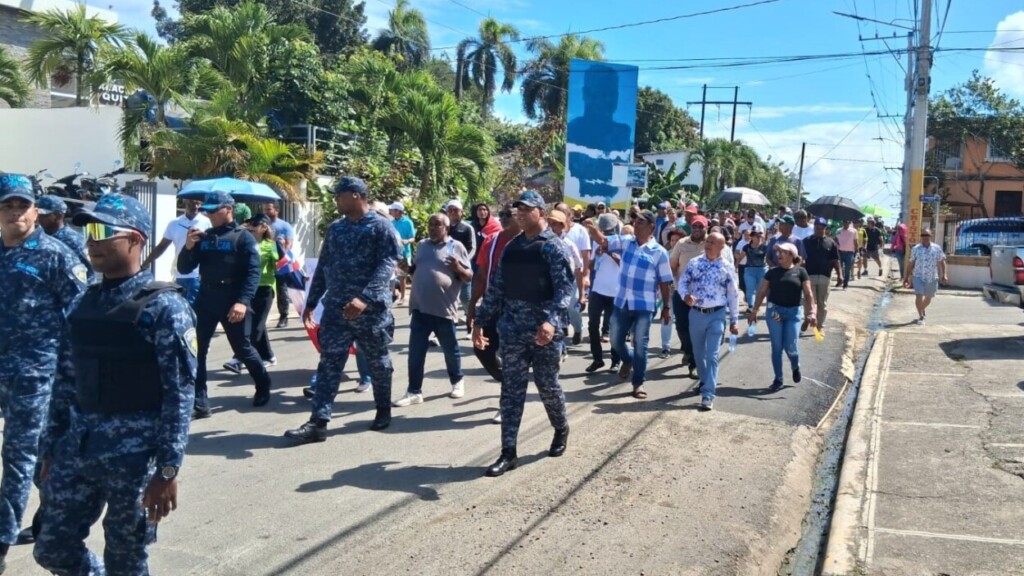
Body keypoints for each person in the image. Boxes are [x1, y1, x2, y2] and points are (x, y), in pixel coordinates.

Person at [33, 193, 196, 576]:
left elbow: (179, 395)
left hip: (135, 457)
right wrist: (50, 448)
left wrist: (168, 470)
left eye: (103, 231)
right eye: (89, 231)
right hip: (78, 446)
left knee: (126, 560)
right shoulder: (82, 303)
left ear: (136, 240)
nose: (93, 241)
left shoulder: (164, 308)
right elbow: (65, 382)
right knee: (51, 549)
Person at [0, 175, 88, 571]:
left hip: (37, 376)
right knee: (38, 459)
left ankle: (2, 540)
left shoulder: (56, 256)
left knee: (18, 456)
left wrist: (75, 385)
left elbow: (82, 321)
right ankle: (58, 511)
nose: (15, 212)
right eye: (7, 206)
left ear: (36, 210)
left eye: (22, 206)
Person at [284, 177, 401, 441]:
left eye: (340, 194)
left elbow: (386, 265)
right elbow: (325, 266)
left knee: (378, 363)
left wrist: (365, 298)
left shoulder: (381, 227)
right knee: (329, 363)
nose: (336, 199)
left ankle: (383, 408)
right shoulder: (336, 229)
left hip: (370, 312)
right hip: (337, 309)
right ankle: (318, 423)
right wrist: (311, 302)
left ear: (357, 195)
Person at [472, 191, 574, 477]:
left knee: (547, 386)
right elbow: (497, 289)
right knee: (511, 392)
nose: (519, 213)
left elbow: (565, 290)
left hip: (544, 333)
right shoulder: (512, 248)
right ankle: (508, 452)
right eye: (517, 209)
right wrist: (480, 322)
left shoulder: (553, 248)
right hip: (513, 331)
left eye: (525, 209)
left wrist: (552, 322)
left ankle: (561, 428)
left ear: (540, 212)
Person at [177, 191, 272, 416]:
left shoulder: (244, 237)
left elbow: (253, 272)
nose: (209, 215)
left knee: (243, 348)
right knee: (196, 349)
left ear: (228, 209)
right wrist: (188, 247)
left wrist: (242, 302)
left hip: (233, 299)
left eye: (213, 210)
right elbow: (184, 268)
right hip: (207, 297)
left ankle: (263, 384)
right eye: (207, 211)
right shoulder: (205, 236)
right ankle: (200, 401)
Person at [583, 210, 673, 399]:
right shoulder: (626, 242)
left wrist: (666, 307)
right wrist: (592, 229)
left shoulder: (660, 253)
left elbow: (665, 283)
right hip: (622, 301)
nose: (637, 224)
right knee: (615, 340)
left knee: (641, 344)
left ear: (651, 227)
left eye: (641, 222)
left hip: (644, 305)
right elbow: (604, 242)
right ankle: (628, 359)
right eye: (636, 221)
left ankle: (638, 383)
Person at [393, 213, 472, 408]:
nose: (432, 228)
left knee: (450, 350)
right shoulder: (422, 245)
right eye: (430, 224)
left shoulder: (456, 247)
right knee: (415, 353)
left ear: (446, 228)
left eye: (437, 224)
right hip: (420, 308)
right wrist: (407, 268)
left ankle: (457, 381)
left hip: (443, 309)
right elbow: (417, 270)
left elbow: (469, 276)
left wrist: (458, 267)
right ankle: (414, 391)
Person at [467, 207, 520, 424]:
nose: (505, 218)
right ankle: (511, 383)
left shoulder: (528, 242)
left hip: (517, 310)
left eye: (511, 215)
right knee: (482, 349)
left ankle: (506, 403)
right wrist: (472, 305)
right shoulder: (491, 240)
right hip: (491, 305)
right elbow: (480, 275)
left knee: (509, 357)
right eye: (503, 215)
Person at [678, 232, 739, 411]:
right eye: (707, 241)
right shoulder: (694, 263)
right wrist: (685, 295)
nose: (708, 244)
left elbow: (733, 295)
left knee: (712, 355)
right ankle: (705, 381)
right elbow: (682, 283)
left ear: (721, 247)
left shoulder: (727, 267)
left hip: (717, 315)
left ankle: (708, 394)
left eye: (713, 242)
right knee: (698, 354)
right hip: (696, 314)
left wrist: (734, 320)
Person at [749, 242, 817, 392]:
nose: (779, 254)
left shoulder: (801, 272)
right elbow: (761, 292)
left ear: (792, 255)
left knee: (791, 347)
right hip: (775, 312)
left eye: (783, 252)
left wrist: (812, 311)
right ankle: (778, 378)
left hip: (793, 313)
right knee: (777, 347)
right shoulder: (771, 272)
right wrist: (754, 310)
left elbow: (808, 293)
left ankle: (795, 365)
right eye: (778, 252)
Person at [223, 214, 278, 373]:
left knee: (256, 327)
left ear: (264, 227)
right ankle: (268, 356)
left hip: (265, 289)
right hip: (248, 289)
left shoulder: (271, 245)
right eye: (250, 223)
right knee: (254, 325)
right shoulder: (244, 242)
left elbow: (282, 264)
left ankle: (238, 359)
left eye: (256, 223)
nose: (252, 226)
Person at [141, 199, 211, 306]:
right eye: (193, 202)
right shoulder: (174, 224)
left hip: (198, 275)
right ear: (185, 202)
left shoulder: (207, 223)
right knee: (180, 309)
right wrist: (146, 263)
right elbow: (162, 246)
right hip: (179, 274)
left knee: (194, 311)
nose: (196, 206)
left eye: (198, 203)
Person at [670, 215, 708, 379]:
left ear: (706, 228)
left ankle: (694, 363)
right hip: (681, 293)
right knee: (681, 327)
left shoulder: (710, 244)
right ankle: (687, 349)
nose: (697, 230)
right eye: (695, 227)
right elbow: (672, 265)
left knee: (697, 330)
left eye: (700, 227)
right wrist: (671, 283)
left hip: (702, 296)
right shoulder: (681, 243)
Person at [585, 214, 623, 373]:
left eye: (609, 231)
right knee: (592, 325)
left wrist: (608, 252)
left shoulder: (621, 242)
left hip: (615, 292)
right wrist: (598, 254)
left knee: (614, 328)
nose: (606, 234)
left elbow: (623, 264)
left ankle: (615, 360)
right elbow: (591, 265)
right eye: (604, 231)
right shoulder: (596, 243)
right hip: (598, 290)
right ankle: (597, 359)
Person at [546, 210, 586, 359]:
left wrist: (582, 294)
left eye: (555, 224)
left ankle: (577, 328)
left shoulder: (569, 245)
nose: (551, 227)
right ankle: (560, 348)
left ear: (562, 226)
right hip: (550, 287)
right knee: (554, 318)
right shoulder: (543, 243)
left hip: (569, 286)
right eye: (549, 224)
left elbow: (578, 268)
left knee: (571, 309)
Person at [35, 194, 93, 280]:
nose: (38, 218)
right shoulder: (38, 236)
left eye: (44, 215)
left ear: (59, 216)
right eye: (37, 214)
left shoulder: (73, 241)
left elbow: (89, 275)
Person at [802, 217, 843, 333]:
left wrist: (840, 275)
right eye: (817, 228)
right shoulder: (806, 241)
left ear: (826, 229)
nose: (819, 230)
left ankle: (819, 325)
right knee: (808, 301)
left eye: (821, 228)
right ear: (814, 227)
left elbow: (836, 260)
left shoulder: (831, 243)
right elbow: (801, 259)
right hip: (809, 277)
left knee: (822, 303)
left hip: (825, 277)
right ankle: (807, 318)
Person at [261, 202, 294, 327]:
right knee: (266, 290)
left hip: (280, 263)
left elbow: (289, 243)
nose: (266, 212)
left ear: (276, 210)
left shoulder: (284, 225)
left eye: (268, 209)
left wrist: (282, 257)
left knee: (282, 291)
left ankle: (283, 316)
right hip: (266, 262)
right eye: (264, 209)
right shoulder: (262, 225)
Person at [904, 228, 947, 324]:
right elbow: (911, 263)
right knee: (919, 295)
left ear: (930, 236)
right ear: (921, 237)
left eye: (927, 235)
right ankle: (921, 316)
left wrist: (944, 274)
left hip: (932, 277)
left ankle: (921, 308)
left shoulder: (937, 248)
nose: (925, 237)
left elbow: (942, 262)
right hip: (918, 276)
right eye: (923, 235)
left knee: (928, 298)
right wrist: (906, 277)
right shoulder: (916, 249)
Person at [446, 199, 476, 325]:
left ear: (461, 212)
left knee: (465, 299)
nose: (453, 212)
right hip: (446, 269)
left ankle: (471, 326)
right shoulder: (444, 227)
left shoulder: (467, 228)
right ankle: (440, 331)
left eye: (456, 210)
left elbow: (472, 248)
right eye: (450, 210)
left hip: (462, 269)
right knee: (446, 300)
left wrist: (463, 263)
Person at [388, 202, 417, 305]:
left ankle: (413, 296)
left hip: (405, 253)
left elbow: (413, 238)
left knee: (410, 275)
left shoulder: (408, 222)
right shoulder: (391, 222)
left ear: (398, 211)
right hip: (395, 253)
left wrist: (406, 241)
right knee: (400, 276)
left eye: (392, 210)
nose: (390, 212)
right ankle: (400, 296)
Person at [738, 224, 769, 311]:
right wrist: (736, 266)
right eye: (756, 236)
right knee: (750, 289)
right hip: (749, 270)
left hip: (762, 270)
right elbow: (740, 257)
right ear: (752, 237)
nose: (759, 238)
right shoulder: (746, 247)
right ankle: (751, 306)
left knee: (760, 290)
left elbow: (769, 258)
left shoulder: (765, 247)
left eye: (760, 236)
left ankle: (756, 305)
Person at [836, 220, 859, 289]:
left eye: (847, 222)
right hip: (840, 252)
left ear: (849, 223)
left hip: (849, 253)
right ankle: (840, 281)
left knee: (847, 269)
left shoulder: (854, 231)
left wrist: (856, 251)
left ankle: (845, 284)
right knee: (839, 268)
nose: (845, 223)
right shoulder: (839, 230)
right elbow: (836, 239)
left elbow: (856, 242)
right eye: (844, 222)